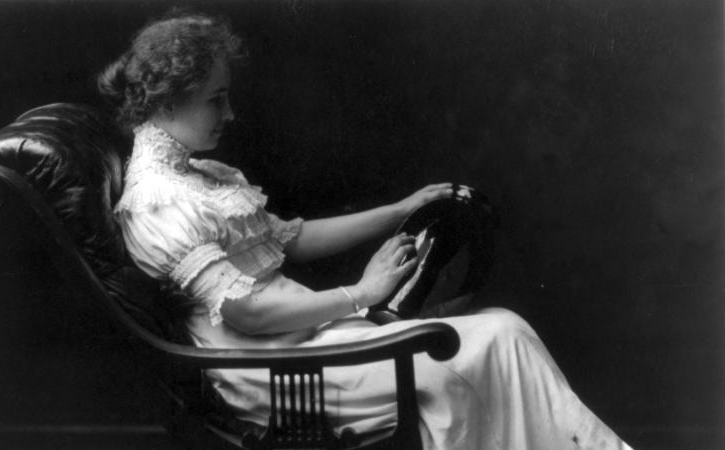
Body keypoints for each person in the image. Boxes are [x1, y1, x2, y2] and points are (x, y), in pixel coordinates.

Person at [99, 10, 633, 450]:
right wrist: (363, 292)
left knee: (506, 329)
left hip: (308, 342)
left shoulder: (200, 177)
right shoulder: (157, 203)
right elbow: (248, 313)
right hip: (273, 373)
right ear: (168, 100)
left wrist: (400, 210)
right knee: (477, 354)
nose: (231, 113)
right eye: (216, 98)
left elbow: (292, 238)